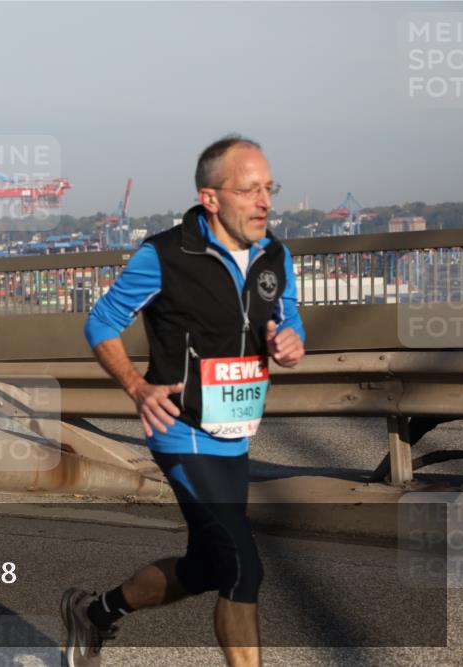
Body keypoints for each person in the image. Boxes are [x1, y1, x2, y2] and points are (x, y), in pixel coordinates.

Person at [61, 136, 306, 667]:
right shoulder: (165, 255)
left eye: (269, 188)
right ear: (211, 197)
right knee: (243, 569)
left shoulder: (274, 254)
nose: (265, 201)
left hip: (235, 433)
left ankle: (95, 613)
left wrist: (290, 340)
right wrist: (134, 385)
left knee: (206, 566)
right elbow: (101, 321)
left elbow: (287, 315)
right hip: (182, 430)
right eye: (250, 190)